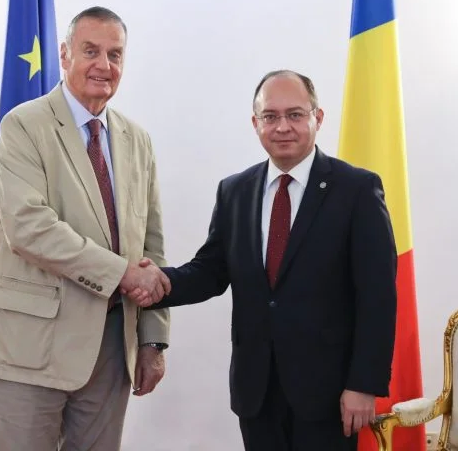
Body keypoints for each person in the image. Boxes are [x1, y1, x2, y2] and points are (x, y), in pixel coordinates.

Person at [128, 70, 397, 450]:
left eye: (295, 114)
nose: (282, 126)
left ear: (318, 118)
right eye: (270, 116)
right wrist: (160, 282)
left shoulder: (356, 189)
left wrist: (364, 384)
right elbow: (211, 271)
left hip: (330, 394)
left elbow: (378, 296)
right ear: (255, 123)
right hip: (256, 391)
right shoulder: (235, 191)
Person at [0, 6, 172, 451]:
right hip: (28, 349)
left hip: (111, 350)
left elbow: (151, 243)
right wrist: (122, 274)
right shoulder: (23, 126)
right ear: (64, 55)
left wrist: (153, 339)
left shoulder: (137, 140)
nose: (104, 65)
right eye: (91, 51)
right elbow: (29, 228)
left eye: (115, 54)